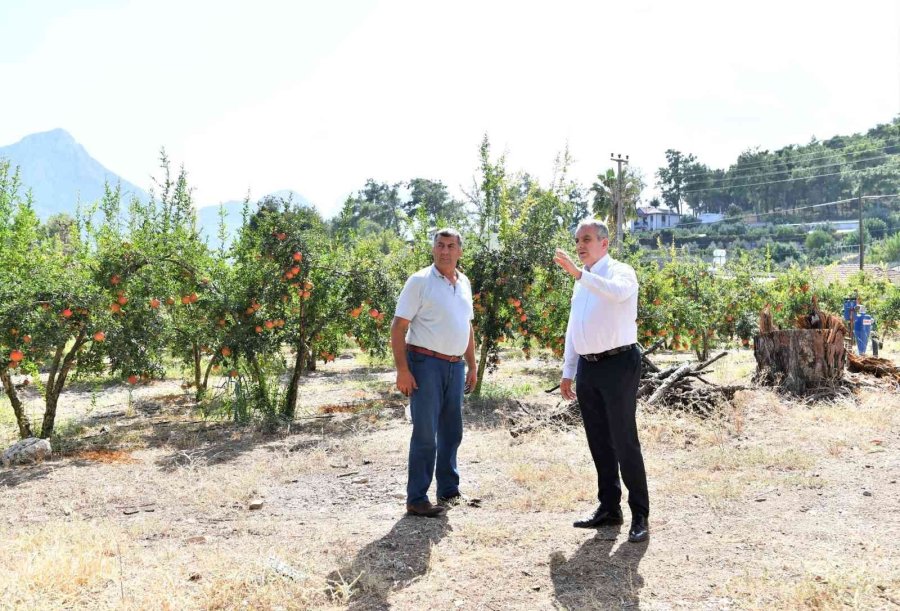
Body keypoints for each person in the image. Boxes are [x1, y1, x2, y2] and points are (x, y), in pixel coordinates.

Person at [553, 218, 650, 543]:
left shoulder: (621, 272)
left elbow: (618, 294)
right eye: (578, 240)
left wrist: (581, 274)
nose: (580, 245)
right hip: (589, 367)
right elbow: (573, 326)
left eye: (587, 239)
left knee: (624, 440)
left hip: (619, 363)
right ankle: (609, 508)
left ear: (604, 243)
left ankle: (640, 514)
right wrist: (569, 370)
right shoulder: (580, 282)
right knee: (598, 440)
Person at [391, 228, 478, 517]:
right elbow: (398, 327)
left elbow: (467, 326)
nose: (445, 251)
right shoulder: (420, 281)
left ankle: (449, 490)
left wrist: (472, 364)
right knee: (426, 432)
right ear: (433, 248)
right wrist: (403, 370)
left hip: (455, 366)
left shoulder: (463, 282)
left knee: (452, 431)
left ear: (460, 251)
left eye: (451, 246)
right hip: (426, 364)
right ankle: (417, 498)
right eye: (440, 245)